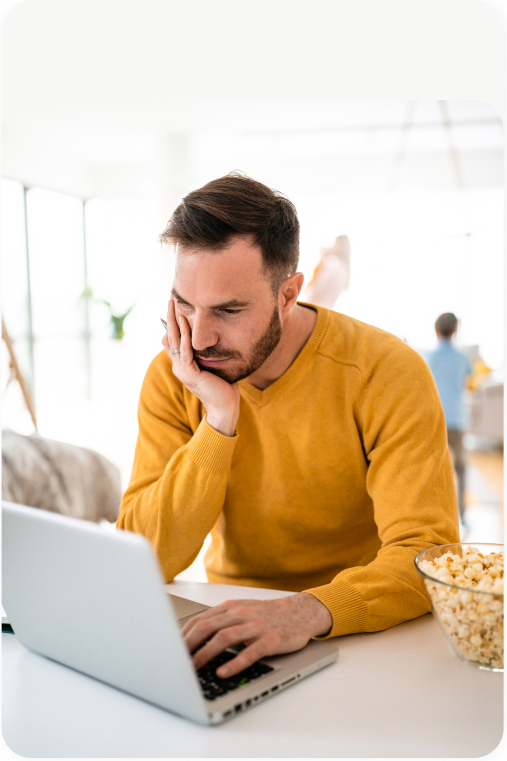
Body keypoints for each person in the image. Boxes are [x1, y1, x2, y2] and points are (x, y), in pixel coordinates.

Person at [118, 172, 459, 680]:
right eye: (184, 306)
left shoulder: (387, 371)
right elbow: (144, 561)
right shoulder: (173, 376)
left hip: (362, 626)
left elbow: (427, 556)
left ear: (288, 294)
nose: (201, 338)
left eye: (230, 310)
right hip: (231, 618)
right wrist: (219, 421)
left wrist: (308, 610)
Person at [425, 313, 473, 529]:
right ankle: (461, 516)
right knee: (460, 468)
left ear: (436, 331)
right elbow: (468, 384)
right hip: (456, 418)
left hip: (433, 418)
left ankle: (432, 517)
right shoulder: (463, 358)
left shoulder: (428, 356)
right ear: (455, 331)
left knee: (432, 469)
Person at [301, 235, 351, 308]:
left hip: (315, 308)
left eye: (335, 244)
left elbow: (313, 291)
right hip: (328, 309)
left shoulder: (332, 265)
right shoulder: (345, 271)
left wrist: (321, 262)